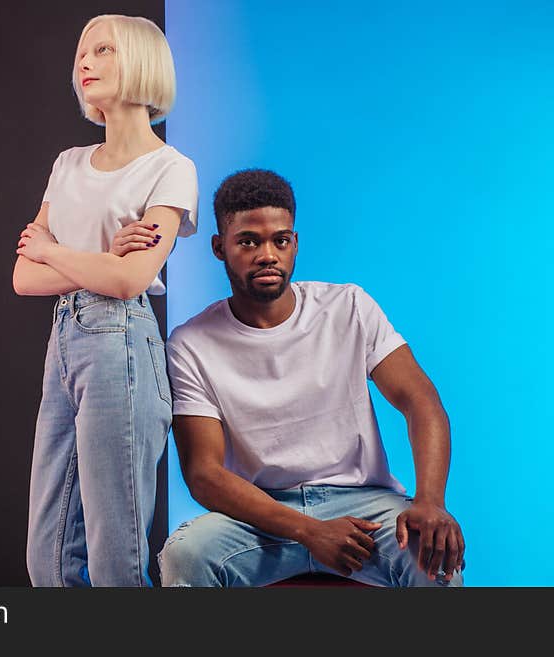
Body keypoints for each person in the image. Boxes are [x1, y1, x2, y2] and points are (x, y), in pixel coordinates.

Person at [157, 169, 464, 587]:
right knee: (185, 556)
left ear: (294, 243)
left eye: (280, 240)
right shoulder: (191, 343)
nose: (267, 254)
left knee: (433, 557)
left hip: (365, 506)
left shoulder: (348, 307)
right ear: (219, 247)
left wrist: (430, 501)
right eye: (248, 241)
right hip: (259, 515)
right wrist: (308, 530)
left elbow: (421, 401)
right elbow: (204, 473)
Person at [12, 14, 198, 587]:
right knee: (46, 558)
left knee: (115, 557)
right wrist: (98, 262)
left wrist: (56, 250)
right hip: (63, 341)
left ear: (141, 60)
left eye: (102, 51)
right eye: (82, 55)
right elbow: (23, 277)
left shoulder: (170, 167)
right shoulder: (66, 164)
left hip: (122, 343)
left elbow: (129, 282)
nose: (84, 64)